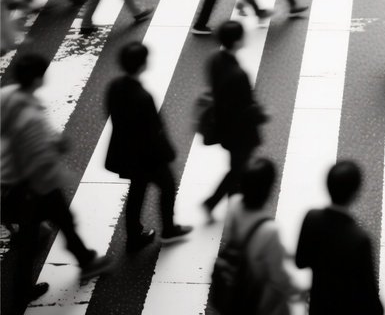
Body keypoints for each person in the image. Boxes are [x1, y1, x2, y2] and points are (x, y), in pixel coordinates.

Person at [1, 54, 113, 306]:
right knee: (52, 226)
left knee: (56, 224)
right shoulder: (31, 119)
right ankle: (25, 287)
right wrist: (58, 147)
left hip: (12, 179)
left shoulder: (7, 95)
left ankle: (84, 261)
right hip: (34, 185)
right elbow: (38, 158)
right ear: (39, 78)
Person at [105, 42, 192, 252]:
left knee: (137, 191)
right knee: (168, 186)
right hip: (148, 157)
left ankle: (134, 236)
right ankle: (168, 230)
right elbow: (154, 131)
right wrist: (168, 153)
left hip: (126, 152)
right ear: (142, 64)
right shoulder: (143, 97)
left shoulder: (115, 86)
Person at [296, 161, 384, 314]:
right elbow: (368, 289)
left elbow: (300, 261)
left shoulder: (312, 218)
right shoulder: (360, 239)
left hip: (319, 304)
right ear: (356, 193)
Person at [202, 20, 268, 216]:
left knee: (236, 167)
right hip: (240, 131)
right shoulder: (238, 75)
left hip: (224, 125)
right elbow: (247, 108)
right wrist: (263, 115)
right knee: (238, 169)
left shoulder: (215, 59)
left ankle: (229, 201)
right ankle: (213, 202)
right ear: (237, 40)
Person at [222, 158, 304, 312]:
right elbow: (277, 276)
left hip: (235, 279)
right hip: (256, 292)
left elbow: (230, 237)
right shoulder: (270, 231)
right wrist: (297, 290)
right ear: (268, 190)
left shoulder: (234, 203)